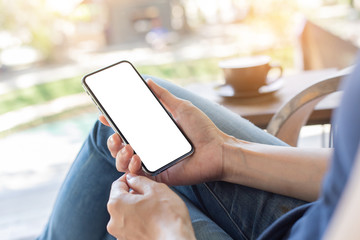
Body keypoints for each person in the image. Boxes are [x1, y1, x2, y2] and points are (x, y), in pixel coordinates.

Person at [38, 56, 360, 240]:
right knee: (118, 125)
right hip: (316, 213)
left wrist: (167, 233)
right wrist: (225, 153)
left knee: (124, 207)